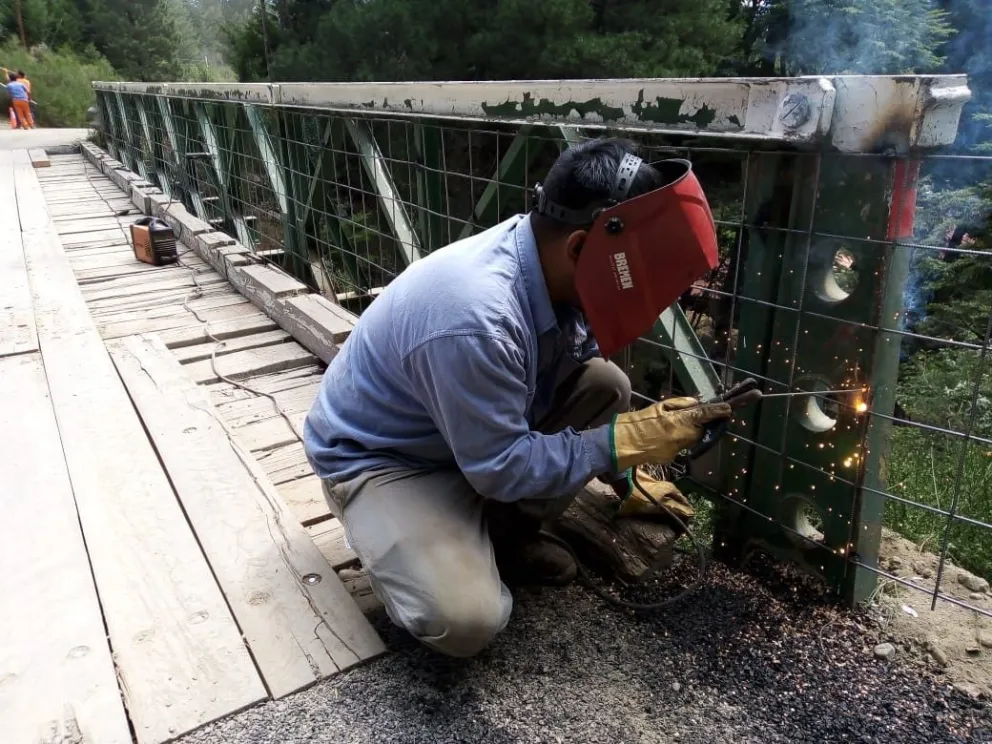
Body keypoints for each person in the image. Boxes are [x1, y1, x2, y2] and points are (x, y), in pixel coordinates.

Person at [304, 137, 748, 657]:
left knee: (607, 387)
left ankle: (501, 534)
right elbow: (499, 466)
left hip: (463, 437)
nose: (643, 296)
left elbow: (565, 387)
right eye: (638, 277)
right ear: (582, 247)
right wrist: (621, 443)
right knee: (465, 620)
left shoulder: (548, 259)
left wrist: (625, 471)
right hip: (384, 458)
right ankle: (397, 543)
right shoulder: (477, 318)